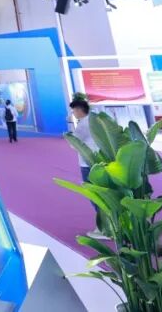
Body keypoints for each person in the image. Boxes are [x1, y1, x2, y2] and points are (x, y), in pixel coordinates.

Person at [69, 99, 105, 238]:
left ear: (79, 110)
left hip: (87, 163)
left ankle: (104, 228)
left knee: (94, 196)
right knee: (102, 194)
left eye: (74, 110)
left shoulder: (83, 124)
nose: (73, 113)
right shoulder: (96, 120)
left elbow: (74, 144)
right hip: (100, 161)